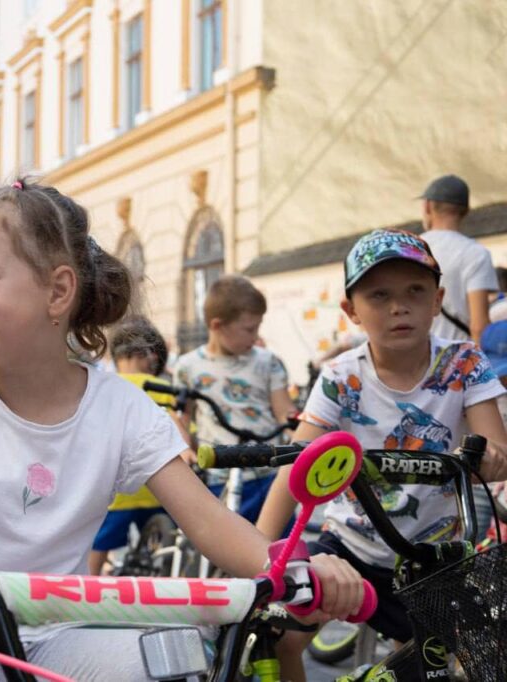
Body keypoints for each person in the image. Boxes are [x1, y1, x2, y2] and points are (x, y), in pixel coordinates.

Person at [0, 179, 366, 681]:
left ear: (57, 292)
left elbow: (208, 520)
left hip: (60, 633)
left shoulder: (122, 408)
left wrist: (294, 571)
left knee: (175, 661)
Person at [255, 228, 507, 682]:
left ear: (437, 299)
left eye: (415, 290)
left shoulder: (465, 362)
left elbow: (494, 446)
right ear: (351, 311)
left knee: (453, 662)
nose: (398, 306)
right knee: (282, 635)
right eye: (379, 295)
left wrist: (489, 457)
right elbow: (297, 464)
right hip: (350, 545)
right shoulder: (340, 376)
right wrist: (262, 557)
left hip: (430, 558)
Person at [173, 275, 296, 523]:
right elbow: (181, 418)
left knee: (278, 552)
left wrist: (303, 435)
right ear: (217, 325)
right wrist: (185, 449)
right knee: (223, 553)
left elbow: (284, 411)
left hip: (268, 472)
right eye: (249, 329)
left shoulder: (267, 361)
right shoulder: (188, 367)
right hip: (219, 476)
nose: (256, 336)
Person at [87, 316, 190, 576]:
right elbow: (174, 422)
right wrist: (187, 449)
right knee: (165, 545)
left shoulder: (103, 387)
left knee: (99, 546)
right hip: (158, 488)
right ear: (150, 355)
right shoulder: (161, 386)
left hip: (117, 492)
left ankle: (85, 585)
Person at [419, 174, 497, 342]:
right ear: (466, 211)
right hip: (458, 359)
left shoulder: (411, 248)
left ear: (427, 206)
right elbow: (479, 326)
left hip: (414, 358)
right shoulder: (476, 253)